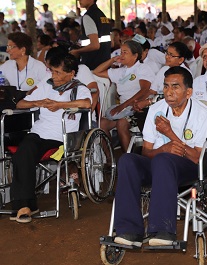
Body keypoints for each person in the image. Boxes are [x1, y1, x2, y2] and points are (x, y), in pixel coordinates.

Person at [113, 66, 207, 247]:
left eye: (175, 87)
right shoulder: (156, 110)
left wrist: (170, 134)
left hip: (188, 168)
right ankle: (129, 230)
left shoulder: (203, 114)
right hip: (158, 163)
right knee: (127, 160)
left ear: (188, 92)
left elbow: (197, 158)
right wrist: (165, 149)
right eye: (166, 86)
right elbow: (146, 152)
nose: (169, 92)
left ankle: (162, 230)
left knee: (163, 160)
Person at [10, 53, 92, 223]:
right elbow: (20, 104)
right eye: (52, 72)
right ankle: (25, 205)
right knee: (23, 152)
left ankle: (25, 204)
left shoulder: (79, 88)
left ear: (71, 74)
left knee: (26, 152)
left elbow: (86, 103)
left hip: (61, 138)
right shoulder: (46, 85)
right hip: (39, 133)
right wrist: (37, 103)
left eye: (58, 73)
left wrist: (60, 105)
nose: (53, 76)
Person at [93, 40, 155, 152]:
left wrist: (123, 106)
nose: (121, 55)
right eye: (121, 52)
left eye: (125, 52)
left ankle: (129, 160)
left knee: (122, 123)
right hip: (123, 110)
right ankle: (110, 160)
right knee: (101, 124)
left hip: (138, 109)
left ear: (135, 55)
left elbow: (145, 90)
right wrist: (113, 59)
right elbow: (97, 72)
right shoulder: (120, 71)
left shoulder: (142, 68)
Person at [70, 0, 111, 70]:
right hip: (105, 64)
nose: (79, 0)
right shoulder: (102, 15)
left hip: (92, 65)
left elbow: (95, 45)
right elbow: (111, 43)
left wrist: (77, 51)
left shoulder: (88, 16)